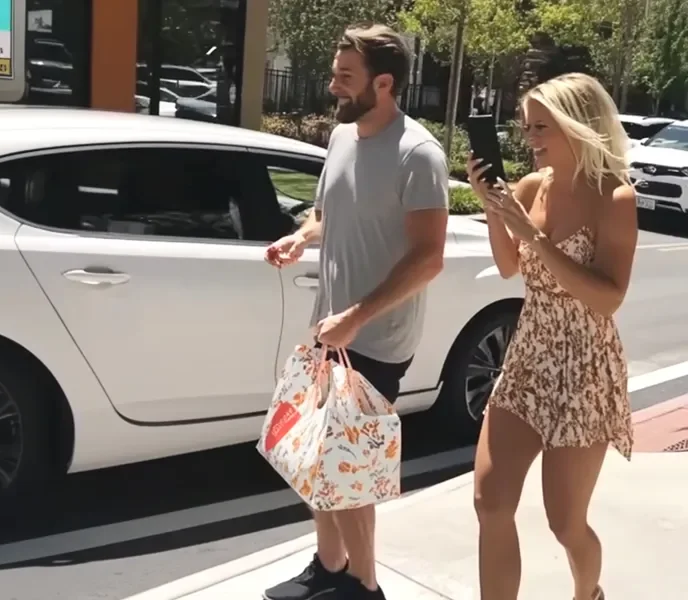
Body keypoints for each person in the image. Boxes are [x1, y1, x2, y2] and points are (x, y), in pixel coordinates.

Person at [262, 23, 449, 600]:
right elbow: (327, 214)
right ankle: (330, 567)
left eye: (346, 76)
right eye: (335, 74)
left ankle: (364, 587)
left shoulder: (418, 154)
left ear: (384, 83)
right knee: (317, 456)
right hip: (330, 327)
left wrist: (358, 318)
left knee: (349, 468)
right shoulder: (342, 137)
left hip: (377, 336)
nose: (333, 86)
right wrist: (300, 238)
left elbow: (428, 258)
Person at [466, 72, 636, 600]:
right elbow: (507, 267)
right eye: (526, 127)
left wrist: (533, 237)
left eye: (541, 126)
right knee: (490, 501)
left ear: (577, 125)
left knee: (565, 522)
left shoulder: (615, 198)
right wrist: (493, 207)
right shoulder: (529, 188)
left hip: (585, 369)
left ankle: (588, 594)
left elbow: (608, 298)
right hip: (528, 358)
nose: (530, 138)